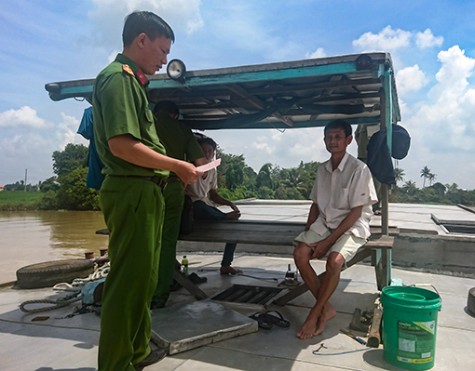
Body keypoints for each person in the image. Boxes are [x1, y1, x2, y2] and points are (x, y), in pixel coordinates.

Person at [92, 11, 202, 370]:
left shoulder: (134, 83)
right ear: (141, 40)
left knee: (143, 280)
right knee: (127, 284)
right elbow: (123, 145)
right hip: (132, 190)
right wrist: (178, 165)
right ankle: (116, 364)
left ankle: (136, 350)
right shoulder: (118, 80)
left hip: (146, 190)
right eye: (161, 50)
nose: (164, 60)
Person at [293, 120, 377, 340]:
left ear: (348, 140)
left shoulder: (359, 169)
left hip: (352, 225)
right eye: (329, 137)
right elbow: (315, 204)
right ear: (324, 141)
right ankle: (326, 308)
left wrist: (327, 242)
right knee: (300, 253)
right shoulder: (322, 169)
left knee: (334, 261)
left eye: (338, 137)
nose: (333, 141)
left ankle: (315, 312)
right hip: (325, 222)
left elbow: (356, 213)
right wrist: (308, 231)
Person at [151, 101, 207, 309]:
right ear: (175, 115)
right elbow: (202, 165)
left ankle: (140, 291)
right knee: (166, 243)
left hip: (144, 186)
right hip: (173, 188)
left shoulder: (147, 122)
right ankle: (159, 295)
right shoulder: (183, 129)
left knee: (143, 240)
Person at [186, 135, 243, 275]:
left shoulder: (212, 170)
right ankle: (224, 217)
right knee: (199, 205)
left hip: (207, 210)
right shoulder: (189, 167)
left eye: (209, 151)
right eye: (203, 151)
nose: (206, 154)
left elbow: (213, 195)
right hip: (191, 210)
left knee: (234, 226)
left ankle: (226, 264)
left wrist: (229, 203)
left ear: (213, 153)